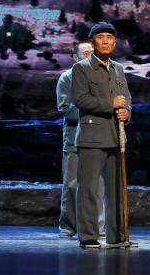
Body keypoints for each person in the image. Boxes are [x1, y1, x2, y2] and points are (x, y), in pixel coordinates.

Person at [72, 21, 132, 249]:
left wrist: (127, 112)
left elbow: (126, 98)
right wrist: (111, 104)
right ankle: (88, 236)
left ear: (114, 43)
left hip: (116, 136)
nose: (105, 41)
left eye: (109, 38)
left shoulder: (119, 68)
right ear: (93, 42)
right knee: (88, 189)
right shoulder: (82, 68)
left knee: (116, 190)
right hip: (92, 137)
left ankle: (117, 236)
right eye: (100, 37)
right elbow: (80, 99)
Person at [56, 42, 105, 238]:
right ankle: (69, 226)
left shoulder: (103, 77)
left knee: (97, 185)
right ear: (75, 57)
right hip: (74, 139)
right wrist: (95, 110)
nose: (90, 56)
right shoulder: (67, 78)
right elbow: (66, 109)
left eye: (93, 53)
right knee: (71, 185)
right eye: (85, 53)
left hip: (99, 139)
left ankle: (97, 228)